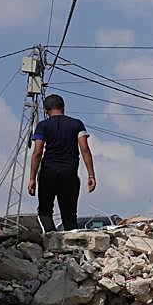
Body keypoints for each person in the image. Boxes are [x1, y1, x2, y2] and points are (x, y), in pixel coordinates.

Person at [28, 94, 95, 232]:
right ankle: (72, 248)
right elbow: (85, 149)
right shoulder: (77, 124)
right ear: (63, 107)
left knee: (45, 211)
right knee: (69, 214)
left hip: (48, 173)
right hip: (69, 173)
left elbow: (38, 152)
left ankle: (51, 240)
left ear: (46, 111)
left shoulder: (42, 126)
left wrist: (32, 179)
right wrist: (91, 175)